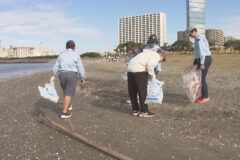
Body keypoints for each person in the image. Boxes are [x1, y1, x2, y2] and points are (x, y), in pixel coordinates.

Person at [127, 48, 166, 118]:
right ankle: (144, 111)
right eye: (162, 60)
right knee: (142, 92)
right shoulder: (156, 55)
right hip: (139, 70)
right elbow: (150, 65)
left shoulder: (145, 54)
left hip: (130, 69)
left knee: (132, 91)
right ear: (161, 55)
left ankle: (135, 110)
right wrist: (153, 78)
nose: (160, 62)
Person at [52, 40, 86, 119]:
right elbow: (80, 67)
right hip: (72, 75)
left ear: (66, 47)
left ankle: (69, 105)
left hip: (62, 74)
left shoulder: (61, 55)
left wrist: (54, 74)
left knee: (66, 90)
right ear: (74, 47)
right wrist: (83, 77)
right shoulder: (76, 55)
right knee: (69, 92)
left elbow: (56, 66)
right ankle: (64, 112)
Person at [188, 27, 212, 104]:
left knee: (202, 79)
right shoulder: (197, 38)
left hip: (204, 59)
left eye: (190, 33)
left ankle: (205, 97)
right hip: (201, 59)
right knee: (199, 78)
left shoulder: (199, 38)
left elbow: (202, 52)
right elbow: (198, 51)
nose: (189, 35)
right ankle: (202, 95)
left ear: (194, 31)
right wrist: (196, 59)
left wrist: (202, 63)